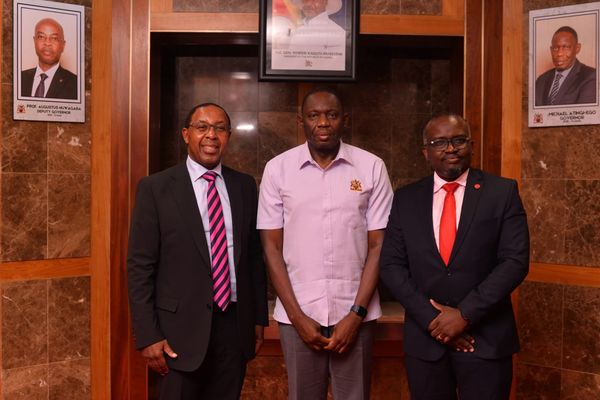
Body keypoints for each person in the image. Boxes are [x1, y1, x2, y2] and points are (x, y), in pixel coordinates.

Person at [380, 114, 529, 400]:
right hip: (426, 342)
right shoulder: (406, 198)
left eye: (458, 140)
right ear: (426, 152)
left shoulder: (501, 192)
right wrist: (434, 321)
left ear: (471, 145)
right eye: (439, 142)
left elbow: (514, 261)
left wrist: (464, 315)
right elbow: (391, 265)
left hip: (485, 340)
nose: (450, 149)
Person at [258, 87, 393, 400]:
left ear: (345, 120)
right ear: (300, 122)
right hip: (298, 316)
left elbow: (379, 246)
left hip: (356, 315)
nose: (323, 123)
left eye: (331, 115)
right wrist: (298, 318)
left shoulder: (372, 167)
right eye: (313, 115)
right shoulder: (278, 169)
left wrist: (356, 315)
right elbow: (271, 249)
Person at [127, 103, 268, 399]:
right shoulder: (156, 188)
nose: (211, 135)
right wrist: (148, 335)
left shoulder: (244, 186)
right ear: (186, 134)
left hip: (234, 328)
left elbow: (254, 258)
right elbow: (140, 266)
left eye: (220, 128)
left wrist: (257, 319)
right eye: (202, 127)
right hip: (178, 332)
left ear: (228, 136)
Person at [274, 0, 346, 71]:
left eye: (314, 0)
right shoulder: (297, 31)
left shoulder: (339, 34)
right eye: (305, 0)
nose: (308, 4)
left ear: (325, 2)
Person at [535, 26, 596, 106]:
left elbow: (584, 113)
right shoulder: (541, 80)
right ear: (551, 50)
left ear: (577, 48)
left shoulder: (591, 77)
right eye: (555, 48)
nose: (559, 53)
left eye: (566, 47)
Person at [21, 18, 78, 100]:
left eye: (54, 38)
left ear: (63, 45)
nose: (47, 43)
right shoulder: (19, 78)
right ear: (34, 41)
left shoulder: (76, 84)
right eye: (41, 37)